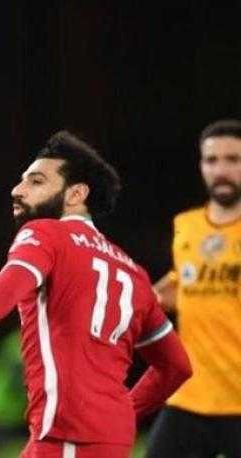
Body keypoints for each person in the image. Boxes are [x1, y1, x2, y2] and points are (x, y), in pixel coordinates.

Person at [0, 131, 192, 457]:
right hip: (99, 436)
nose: (17, 190)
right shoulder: (134, 271)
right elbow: (176, 367)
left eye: (36, 181)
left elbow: (2, 294)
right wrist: (121, 413)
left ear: (76, 193)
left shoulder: (48, 233)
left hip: (68, 435)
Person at [146, 120, 241, 457]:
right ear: (201, 166)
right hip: (191, 397)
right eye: (212, 160)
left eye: (233, 159)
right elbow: (180, 285)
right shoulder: (185, 226)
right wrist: (144, 299)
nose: (221, 170)